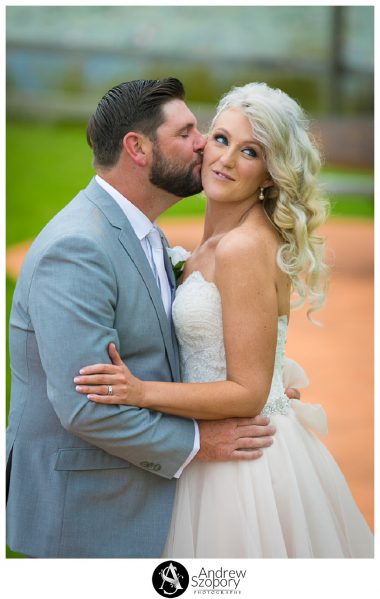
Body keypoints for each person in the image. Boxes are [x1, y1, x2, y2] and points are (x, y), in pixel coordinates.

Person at [6, 78, 302, 559]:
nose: (204, 144)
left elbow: (163, 349)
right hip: (91, 510)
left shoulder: (149, 237)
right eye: (188, 133)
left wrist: (264, 382)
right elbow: (87, 407)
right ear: (138, 148)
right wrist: (199, 442)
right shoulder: (79, 248)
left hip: (182, 488)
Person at [75, 82, 374, 558]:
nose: (226, 159)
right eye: (221, 139)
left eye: (250, 151)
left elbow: (248, 392)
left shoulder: (241, 249)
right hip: (207, 449)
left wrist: (139, 392)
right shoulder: (214, 244)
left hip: (243, 469)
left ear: (270, 175)